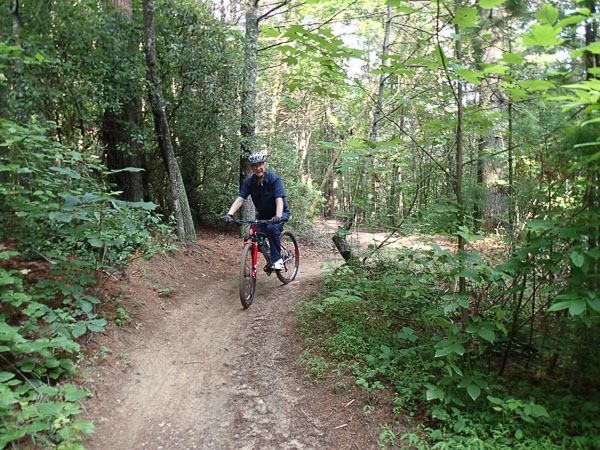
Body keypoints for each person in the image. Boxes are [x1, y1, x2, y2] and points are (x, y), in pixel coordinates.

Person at [223, 151, 291, 270]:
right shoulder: (250, 182)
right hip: (264, 216)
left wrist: (278, 216)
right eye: (255, 165)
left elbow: (279, 200)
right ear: (252, 168)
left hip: (279, 214)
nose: (258, 168)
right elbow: (240, 199)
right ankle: (268, 253)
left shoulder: (274, 179)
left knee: (271, 228)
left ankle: (277, 260)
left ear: (265, 164)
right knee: (253, 232)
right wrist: (230, 214)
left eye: (260, 164)